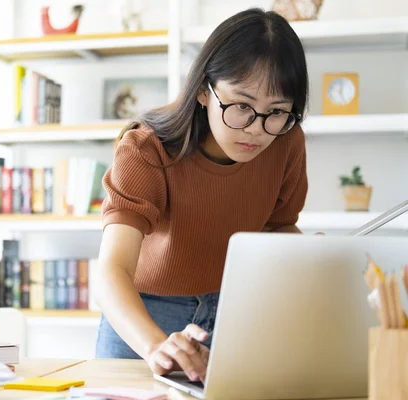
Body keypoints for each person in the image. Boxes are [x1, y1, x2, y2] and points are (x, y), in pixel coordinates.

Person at [93, 8, 309, 384]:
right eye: (241, 105)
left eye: (276, 111)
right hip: (143, 316)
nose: (256, 130)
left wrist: (313, 261)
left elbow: (279, 226)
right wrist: (155, 346)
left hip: (235, 310)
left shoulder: (286, 142)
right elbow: (112, 271)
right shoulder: (147, 149)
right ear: (203, 91)